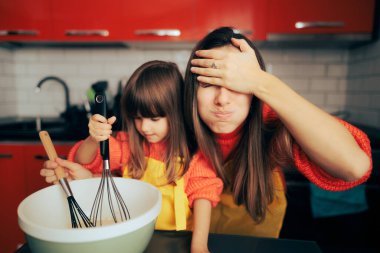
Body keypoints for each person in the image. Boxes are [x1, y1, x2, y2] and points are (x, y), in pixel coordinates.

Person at [184, 27, 372, 238]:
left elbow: (355, 167)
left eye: (236, 84)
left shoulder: (270, 122)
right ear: (193, 91)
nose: (222, 100)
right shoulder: (171, 124)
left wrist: (262, 82)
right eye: (209, 83)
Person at [41, 60, 223, 253]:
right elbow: (84, 160)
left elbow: (203, 196)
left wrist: (199, 246)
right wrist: (94, 139)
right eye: (138, 118)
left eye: (154, 119)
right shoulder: (129, 145)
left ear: (176, 113)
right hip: (130, 237)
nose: (144, 127)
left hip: (175, 241)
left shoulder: (193, 154)